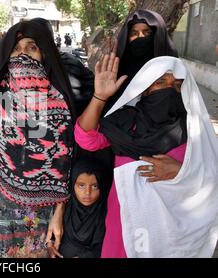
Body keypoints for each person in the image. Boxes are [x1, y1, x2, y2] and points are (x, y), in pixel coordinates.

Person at [0, 20, 77, 258]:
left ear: (45, 54)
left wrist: (58, 214)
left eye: (31, 48)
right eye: (16, 49)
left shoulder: (59, 104)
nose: (22, 55)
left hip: (39, 216)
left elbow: (64, 166)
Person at [75, 54, 218, 257]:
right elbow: (86, 138)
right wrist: (100, 97)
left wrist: (182, 172)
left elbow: (213, 175)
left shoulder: (195, 130)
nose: (169, 89)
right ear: (145, 89)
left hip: (173, 233)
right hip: (126, 223)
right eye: (160, 82)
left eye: (177, 85)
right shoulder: (126, 124)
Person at [105, 9, 178, 111]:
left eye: (147, 32)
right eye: (134, 33)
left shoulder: (170, 67)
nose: (140, 37)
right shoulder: (116, 70)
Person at [58, 158, 108, 258]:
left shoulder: (105, 212)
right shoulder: (64, 206)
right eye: (81, 186)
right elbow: (54, 235)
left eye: (94, 186)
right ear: (73, 185)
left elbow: (103, 247)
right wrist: (51, 246)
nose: (87, 193)